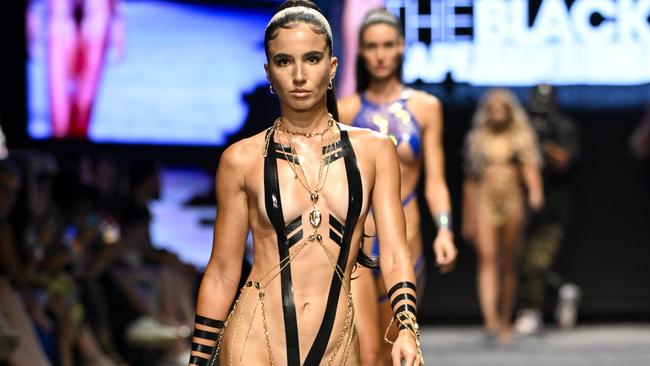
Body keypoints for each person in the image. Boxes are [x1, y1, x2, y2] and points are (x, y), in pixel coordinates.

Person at [189, 1, 423, 365]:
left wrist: (406, 325)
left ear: (332, 68)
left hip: (337, 345)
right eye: (284, 61)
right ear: (269, 72)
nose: (299, 75)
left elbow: (394, 252)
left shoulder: (374, 151)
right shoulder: (241, 160)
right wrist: (198, 361)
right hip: (255, 340)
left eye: (312, 59)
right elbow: (222, 271)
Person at [337, 8, 457, 365]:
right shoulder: (343, 111)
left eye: (388, 45)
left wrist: (445, 230)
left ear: (402, 47)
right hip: (356, 238)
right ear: (359, 50)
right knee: (365, 350)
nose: (380, 55)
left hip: (407, 238)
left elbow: (435, 180)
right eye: (372, 46)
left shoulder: (426, 108)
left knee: (397, 346)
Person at [462, 89, 544, 343]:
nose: (497, 113)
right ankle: (490, 320)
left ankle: (506, 319)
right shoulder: (478, 139)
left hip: (512, 201)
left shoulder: (520, 138)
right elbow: (471, 181)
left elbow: (529, 167)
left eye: (502, 107)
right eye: (492, 107)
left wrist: (535, 191)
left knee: (508, 263)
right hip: (485, 201)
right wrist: (467, 218)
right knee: (487, 260)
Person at [514, 84, 582, 335]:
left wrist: (541, 144)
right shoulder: (521, 130)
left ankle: (531, 310)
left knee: (536, 261)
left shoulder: (564, 127)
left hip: (554, 208)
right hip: (520, 207)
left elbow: (565, 161)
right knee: (519, 260)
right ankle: (561, 290)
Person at [45, 0, 125, 138]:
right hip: (62, 18)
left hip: (93, 18)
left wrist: (118, 23)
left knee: (84, 100)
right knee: (60, 103)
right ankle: (61, 146)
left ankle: (77, 145)